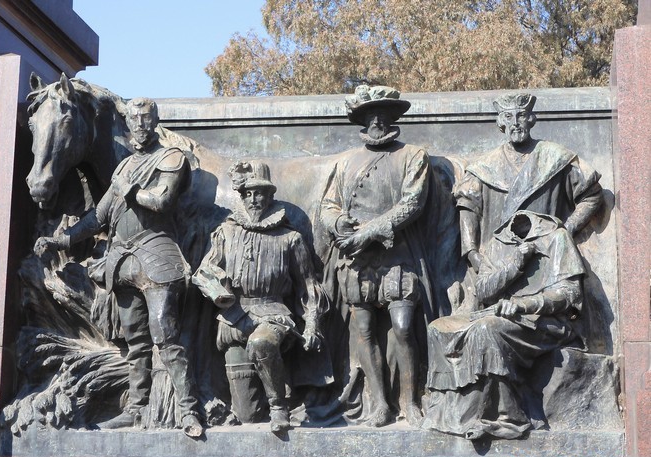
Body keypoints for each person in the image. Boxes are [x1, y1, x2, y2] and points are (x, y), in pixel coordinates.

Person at [34, 97, 203, 437]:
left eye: (146, 119)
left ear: (154, 122)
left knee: (166, 337)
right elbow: (98, 217)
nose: (140, 125)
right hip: (123, 265)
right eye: (135, 119)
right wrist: (61, 240)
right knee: (136, 343)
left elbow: (162, 201)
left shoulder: (171, 158)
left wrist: (130, 190)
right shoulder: (123, 169)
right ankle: (137, 410)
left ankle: (188, 411)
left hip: (158, 257)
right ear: (128, 123)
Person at [320, 85, 432, 427]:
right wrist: (339, 223)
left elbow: (412, 203)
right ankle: (381, 404)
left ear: (394, 118)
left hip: (397, 256)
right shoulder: (345, 163)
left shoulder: (413, 155)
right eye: (371, 115)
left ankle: (410, 402)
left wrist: (368, 232)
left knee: (402, 328)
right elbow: (327, 205)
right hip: (357, 262)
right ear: (363, 120)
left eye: (384, 114)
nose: (378, 121)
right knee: (364, 329)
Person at [422, 211, 587, 439]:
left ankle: (508, 417)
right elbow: (483, 290)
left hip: (545, 322)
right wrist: (515, 263)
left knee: (487, 329)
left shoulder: (556, 237)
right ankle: (443, 412)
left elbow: (570, 294)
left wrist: (523, 305)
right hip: (497, 313)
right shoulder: (498, 242)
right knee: (438, 328)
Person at [193, 161, 328, 433]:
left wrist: (312, 324)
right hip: (233, 320)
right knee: (247, 416)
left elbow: (309, 287)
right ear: (242, 196)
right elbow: (204, 271)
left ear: (270, 196)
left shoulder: (290, 238)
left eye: (260, 193)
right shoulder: (227, 232)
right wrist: (218, 292)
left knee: (261, 343)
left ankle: (280, 407)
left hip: (273, 314)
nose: (254, 199)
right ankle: (273, 395)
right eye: (249, 194)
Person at [456, 93, 602, 274]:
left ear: (531, 119)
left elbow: (592, 194)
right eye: (509, 117)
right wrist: (472, 253)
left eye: (521, 115)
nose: (515, 122)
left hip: (546, 259)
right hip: (499, 263)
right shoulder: (483, 167)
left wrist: (566, 230)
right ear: (501, 122)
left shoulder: (555, 157)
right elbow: (468, 209)